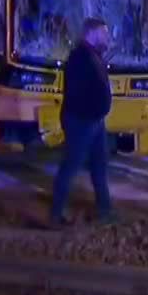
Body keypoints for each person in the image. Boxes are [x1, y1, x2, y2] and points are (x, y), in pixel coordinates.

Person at [48, 18, 116, 226]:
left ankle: (105, 211)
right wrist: (90, 112)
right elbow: (77, 93)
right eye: (103, 33)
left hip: (94, 122)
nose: (107, 37)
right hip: (82, 121)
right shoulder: (80, 57)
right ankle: (55, 214)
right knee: (70, 166)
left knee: (99, 166)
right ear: (92, 33)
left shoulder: (93, 56)